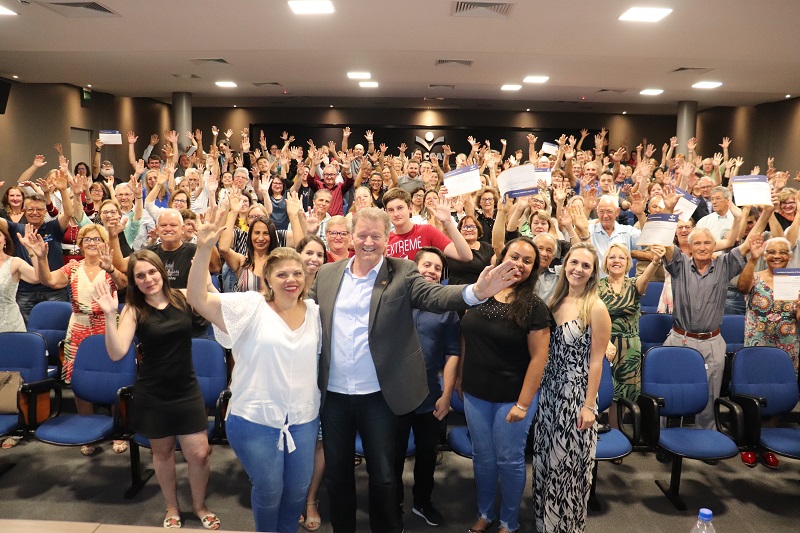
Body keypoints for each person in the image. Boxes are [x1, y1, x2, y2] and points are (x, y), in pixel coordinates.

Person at [309, 207, 518, 533]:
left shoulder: (402, 271)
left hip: (378, 396)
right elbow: (303, 314)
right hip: (333, 396)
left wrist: (476, 292)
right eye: (361, 235)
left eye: (375, 236)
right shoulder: (327, 273)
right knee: (337, 476)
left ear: (387, 239)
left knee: (384, 477)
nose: (368, 242)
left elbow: (435, 296)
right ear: (351, 237)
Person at [187, 211, 320, 533]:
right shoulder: (250, 306)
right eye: (282, 274)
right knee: (270, 491)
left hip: (303, 418)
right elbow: (197, 298)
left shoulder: (315, 312)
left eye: (297, 273)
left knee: (297, 492)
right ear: (268, 280)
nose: (291, 280)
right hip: (255, 417)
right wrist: (203, 249)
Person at [94, 250, 219, 530]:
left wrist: (207, 280)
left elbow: (217, 303)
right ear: (134, 281)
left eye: (152, 272)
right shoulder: (133, 309)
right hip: (153, 392)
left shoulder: (183, 296)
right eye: (140, 276)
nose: (148, 279)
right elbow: (116, 353)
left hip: (186, 388)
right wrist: (110, 315)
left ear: (161, 271)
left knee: (200, 453)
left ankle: (199, 505)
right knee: (162, 453)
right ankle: (172, 506)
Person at [459, 237, 552, 533]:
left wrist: (523, 404)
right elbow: (466, 337)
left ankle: (508, 522)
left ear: (534, 269)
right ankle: (485, 513)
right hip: (475, 393)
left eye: (528, 261)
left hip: (512, 398)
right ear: (501, 257)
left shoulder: (534, 307)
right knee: (482, 458)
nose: (519, 264)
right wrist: (460, 377)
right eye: (515, 256)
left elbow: (539, 359)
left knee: (509, 461)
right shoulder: (479, 292)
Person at [25, 223, 129, 456]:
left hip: (108, 325)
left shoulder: (109, 265)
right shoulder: (73, 266)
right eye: (87, 239)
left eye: (97, 239)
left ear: (105, 243)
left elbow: (124, 284)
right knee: (80, 378)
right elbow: (49, 280)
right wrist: (41, 257)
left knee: (113, 377)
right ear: (80, 244)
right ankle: (88, 431)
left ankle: (118, 430)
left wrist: (111, 269)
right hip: (79, 327)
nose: (92, 243)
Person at [532, 242, 611, 533]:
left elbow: (596, 362)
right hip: (549, 392)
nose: (578, 269)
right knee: (545, 461)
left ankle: (564, 527)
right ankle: (544, 524)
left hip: (575, 397)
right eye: (573, 263)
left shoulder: (596, 307)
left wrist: (589, 406)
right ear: (565, 265)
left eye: (585, 265)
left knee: (567, 467)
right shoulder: (554, 300)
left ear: (593, 272)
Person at [394, 247, 462, 527]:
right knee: (392, 456)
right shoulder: (395, 299)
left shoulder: (446, 309)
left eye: (437, 268)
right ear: (414, 267)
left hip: (430, 396)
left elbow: (453, 353)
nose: (431, 271)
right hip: (394, 396)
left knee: (426, 455)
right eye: (427, 265)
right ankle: (393, 505)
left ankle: (422, 502)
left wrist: (446, 395)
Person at [736, 236, 799, 469]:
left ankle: (768, 444)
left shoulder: (796, 280)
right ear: (765, 255)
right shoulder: (755, 276)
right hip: (758, 343)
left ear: (790, 256)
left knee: (778, 392)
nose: (777, 256)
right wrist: (752, 260)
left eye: (782, 252)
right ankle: (750, 442)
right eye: (771, 252)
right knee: (754, 392)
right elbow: (741, 288)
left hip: (787, 345)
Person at [598, 243, 665, 431]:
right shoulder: (596, 286)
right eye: (612, 257)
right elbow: (592, 318)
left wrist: (655, 262)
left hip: (629, 347)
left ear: (628, 262)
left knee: (622, 395)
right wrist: (604, 341)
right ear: (606, 261)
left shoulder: (634, 284)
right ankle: (593, 433)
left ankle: (616, 431)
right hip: (603, 345)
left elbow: (646, 278)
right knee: (601, 390)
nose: (616, 261)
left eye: (621, 257)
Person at [295, 234, 327, 532]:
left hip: (321, 376)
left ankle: (311, 499)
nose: (314, 259)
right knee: (291, 441)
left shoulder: (330, 289)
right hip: (291, 377)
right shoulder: (285, 289)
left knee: (318, 441)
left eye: (320, 254)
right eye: (309, 252)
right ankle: (292, 496)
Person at [0, 225, 38, 333]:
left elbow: (39, 277)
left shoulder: (15, 263)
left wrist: (31, 249)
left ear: (5, 240)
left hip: (9, 326)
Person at [446, 216, 494, 285]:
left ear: (478, 230)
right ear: (459, 231)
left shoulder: (487, 247)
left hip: (480, 287)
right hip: (456, 287)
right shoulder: (452, 247)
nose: (468, 230)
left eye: (472, 227)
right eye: (464, 227)